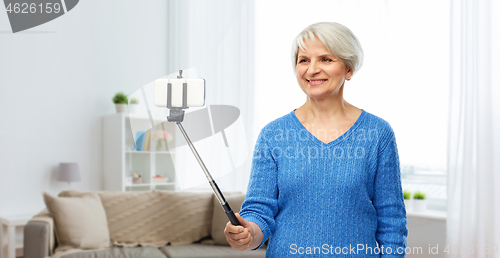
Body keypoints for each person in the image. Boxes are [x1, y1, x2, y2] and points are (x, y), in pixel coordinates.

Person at [224, 22, 408, 257]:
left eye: (325, 59)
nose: (312, 70)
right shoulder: (273, 135)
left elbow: (392, 220)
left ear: (348, 69)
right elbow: (259, 212)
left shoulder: (377, 134)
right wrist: (248, 234)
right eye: (303, 60)